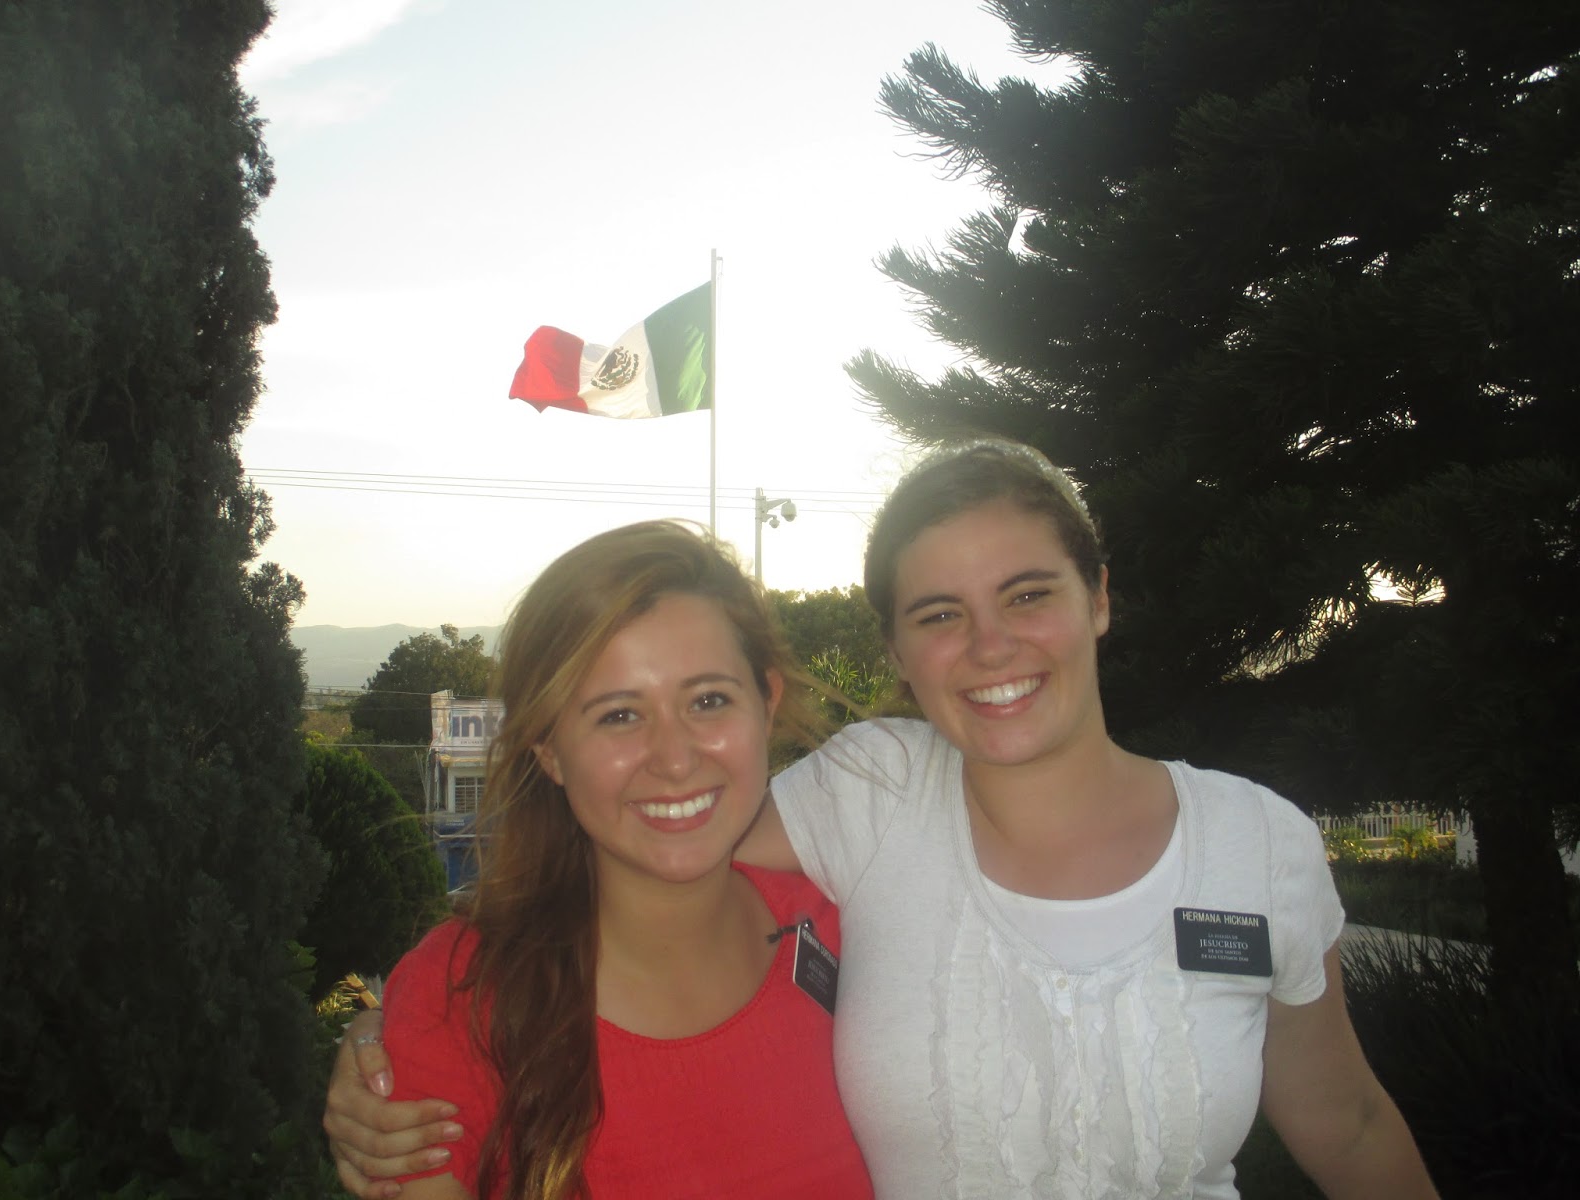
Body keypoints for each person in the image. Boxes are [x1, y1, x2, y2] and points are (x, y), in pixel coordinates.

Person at [327, 439, 1436, 1199]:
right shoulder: (873, 800)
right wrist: (400, 1031)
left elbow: (1348, 1125)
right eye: (940, 614)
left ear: (1099, 594)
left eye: (1029, 594)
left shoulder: (1257, 846)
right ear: (899, 652)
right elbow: (663, 829)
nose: (991, 646)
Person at [347, 520, 873, 1200]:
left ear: (765, 706)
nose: (675, 759)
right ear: (549, 751)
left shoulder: (856, 929)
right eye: (619, 715)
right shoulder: (460, 1000)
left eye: (709, 700)